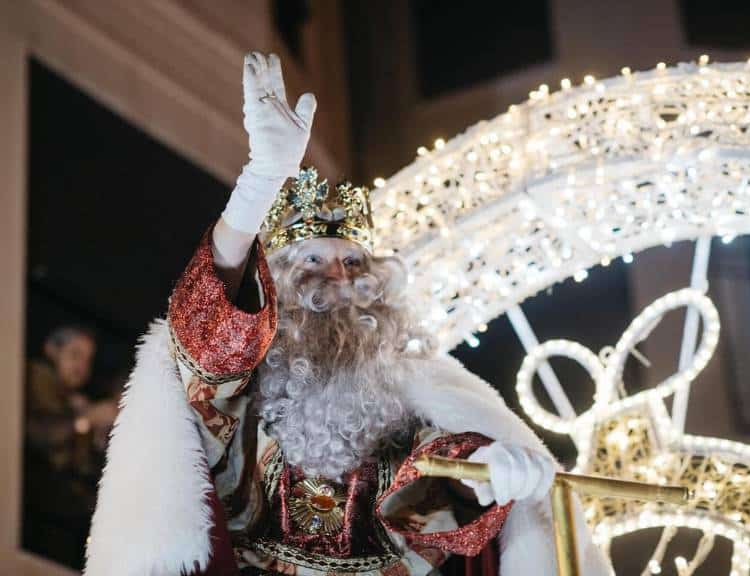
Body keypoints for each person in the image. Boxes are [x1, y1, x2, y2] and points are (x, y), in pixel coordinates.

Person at [85, 53, 611, 576]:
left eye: (353, 262)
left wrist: (482, 475)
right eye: (312, 259)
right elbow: (207, 331)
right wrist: (259, 185)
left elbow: (422, 493)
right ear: (277, 281)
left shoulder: (398, 394)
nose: (338, 277)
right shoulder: (237, 390)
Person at [24, 326, 116, 569]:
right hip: (36, 509)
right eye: (75, 355)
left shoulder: (74, 401)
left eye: (88, 360)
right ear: (52, 350)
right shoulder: (33, 376)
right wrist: (85, 420)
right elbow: (36, 434)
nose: (82, 366)